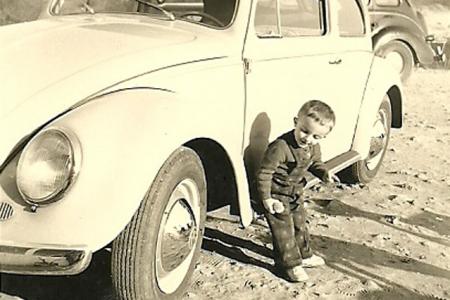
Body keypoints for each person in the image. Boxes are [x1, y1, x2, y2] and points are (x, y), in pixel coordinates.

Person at [256, 100, 337, 282]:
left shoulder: (312, 147)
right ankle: (289, 265)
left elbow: (316, 163)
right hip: (276, 194)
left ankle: (304, 254)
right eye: (305, 131)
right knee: (283, 229)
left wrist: (324, 173)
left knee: (300, 223)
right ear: (296, 122)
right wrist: (267, 199)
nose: (308, 139)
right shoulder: (280, 147)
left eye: (316, 137)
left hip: (295, 192)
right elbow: (264, 173)